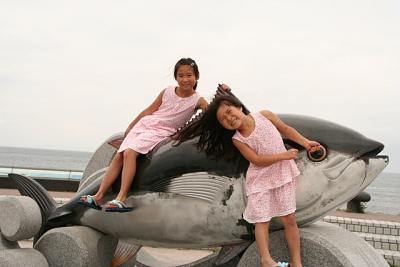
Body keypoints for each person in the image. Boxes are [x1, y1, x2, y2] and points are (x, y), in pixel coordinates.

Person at [175, 90, 320, 267]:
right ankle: (266, 259)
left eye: (229, 112)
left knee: (289, 219)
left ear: (238, 106)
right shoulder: (238, 139)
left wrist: (306, 142)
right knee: (262, 220)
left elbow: (287, 130)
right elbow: (257, 160)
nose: (229, 118)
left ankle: (296, 261)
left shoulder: (264, 115)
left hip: (282, 174)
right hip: (260, 180)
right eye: (223, 119)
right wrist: (282, 156)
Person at [79, 58, 212, 212]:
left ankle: (121, 198)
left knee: (130, 153)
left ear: (197, 76)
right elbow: (149, 110)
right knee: (119, 155)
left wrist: (226, 91)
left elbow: (214, 112)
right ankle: (98, 196)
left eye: (189, 75)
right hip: (145, 125)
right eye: (180, 75)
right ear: (176, 77)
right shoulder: (167, 91)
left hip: (162, 132)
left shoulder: (198, 100)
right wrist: (131, 126)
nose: (185, 79)